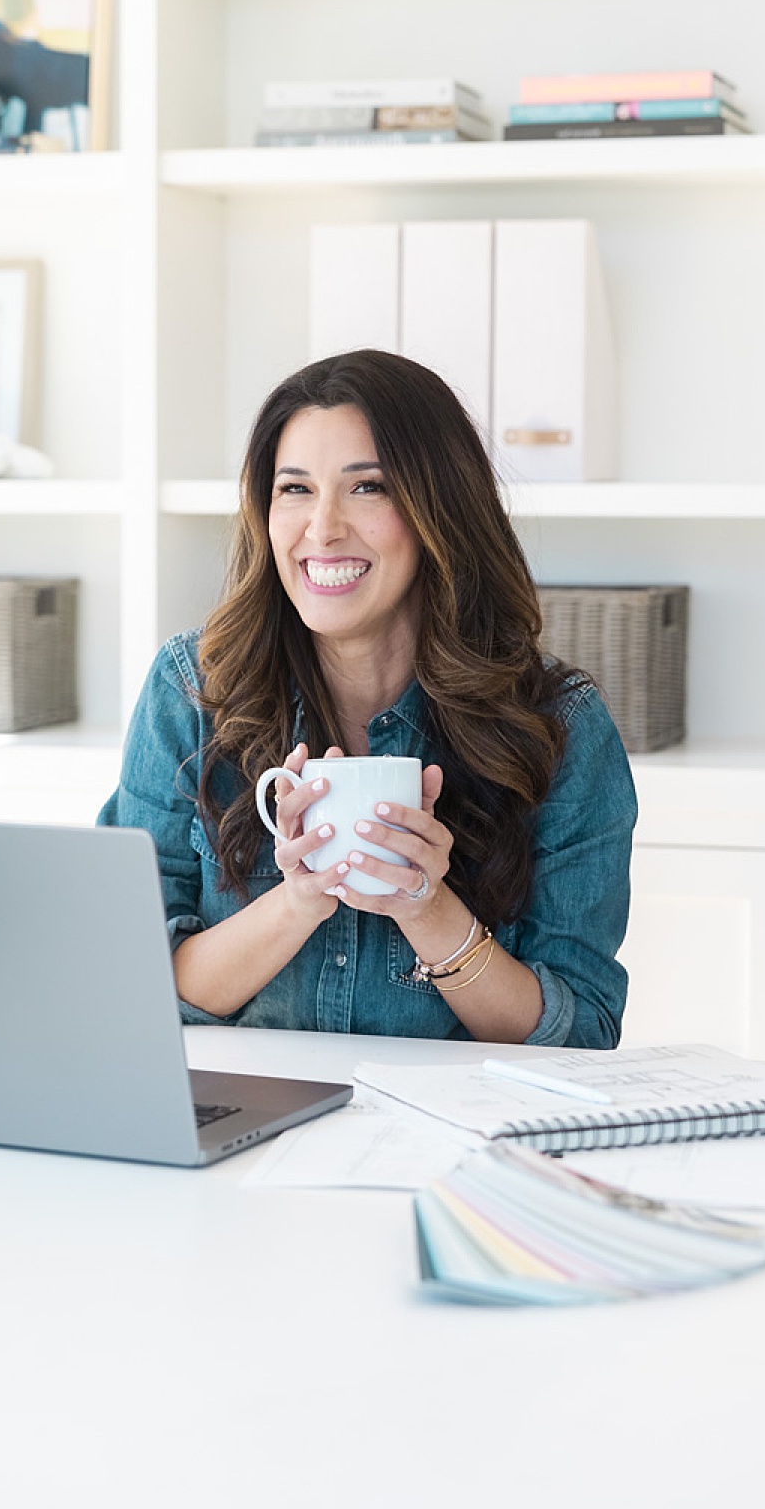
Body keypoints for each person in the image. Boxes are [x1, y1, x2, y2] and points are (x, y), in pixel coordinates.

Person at [98, 350, 636, 1046]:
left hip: (453, 1134)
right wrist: (296, 904)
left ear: (440, 508)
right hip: (250, 1129)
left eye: (368, 487)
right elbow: (130, 982)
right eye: (294, 489)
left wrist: (426, 907)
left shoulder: (557, 724)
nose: (321, 528)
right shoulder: (190, 692)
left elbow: (580, 1033)